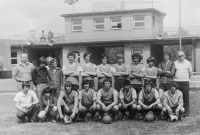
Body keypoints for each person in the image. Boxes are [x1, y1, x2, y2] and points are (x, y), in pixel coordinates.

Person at [174, 51, 192, 117]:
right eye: (179, 56)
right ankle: (178, 113)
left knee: (186, 98)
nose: (181, 57)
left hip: (185, 82)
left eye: (182, 55)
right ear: (177, 56)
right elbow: (173, 72)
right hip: (177, 82)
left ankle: (186, 113)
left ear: (184, 56)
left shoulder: (188, 63)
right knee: (177, 98)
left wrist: (185, 79)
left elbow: (190, 73)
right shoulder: (175, 63)